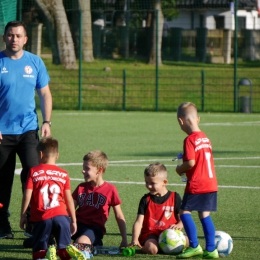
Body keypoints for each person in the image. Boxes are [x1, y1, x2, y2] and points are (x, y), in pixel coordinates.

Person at [0, 20, 52, 239]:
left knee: (33, 177)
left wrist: (47, 122)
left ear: (25, 39)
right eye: (10, 35)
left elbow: (45, 94)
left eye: (18, 36)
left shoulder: (35, 62)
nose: (14, 39)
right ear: (4, 37)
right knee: (2, 181)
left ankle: (33, 225)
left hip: (29, 130)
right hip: (2, 133)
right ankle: (3, 226)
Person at [20, 137, 87, 260]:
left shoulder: (34, 171)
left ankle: (47, 253)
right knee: (64, 249)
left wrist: (23, 215)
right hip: (61, 216)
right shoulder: (63, 174)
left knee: (39, 252)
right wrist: (73, 220)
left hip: (42, 217)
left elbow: (27, 195)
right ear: (57, 156)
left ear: (40, 154)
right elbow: (69, 199)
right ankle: (67, 251)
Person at [175, 102, 219, 259]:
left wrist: (179, 169)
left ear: (181, 121)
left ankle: (194, 246)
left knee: (184, 212)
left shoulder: (189, 140)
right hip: (211, 183)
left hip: (197, 184)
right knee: (204, 215)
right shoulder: (205, 138)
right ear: (198, 119)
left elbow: (191, 163)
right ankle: (211, 250)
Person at [71, 150, 128, 253]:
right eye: (83, 167)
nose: (83, 171)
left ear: (99, 170)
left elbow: (119, 216)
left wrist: (124, 239)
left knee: (80, 243)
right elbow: (69, 210)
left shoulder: (110, 189)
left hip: (93, 229)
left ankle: (91, 245)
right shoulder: (81, 187)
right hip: (75, 225)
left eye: (87, 168)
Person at [130, 163, 188, 255]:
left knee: (190, 242)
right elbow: (138, 222)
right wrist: (135, 239)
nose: (149, 186)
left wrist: (180, 225)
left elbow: (182, 218)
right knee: (152, 250)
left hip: (170, 233)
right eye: (146, 182)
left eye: (152, 183)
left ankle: (164, 247)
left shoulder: (175, 197)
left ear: (164, 182)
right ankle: (144, 247)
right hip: (151, 235)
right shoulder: (145, 199)